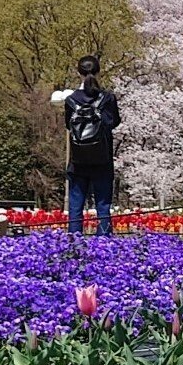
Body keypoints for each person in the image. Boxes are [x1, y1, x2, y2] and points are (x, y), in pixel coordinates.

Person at [51, 57, 121, 237]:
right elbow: (114, 122)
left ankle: (74, 244)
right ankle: (104, 246)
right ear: (98, 71)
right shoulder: (107, 98)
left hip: (78, 161)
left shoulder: (71, 100)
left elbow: (69, 125)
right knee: (103, 207)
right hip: (102, 160)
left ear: (78, 73)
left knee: (75, 208)